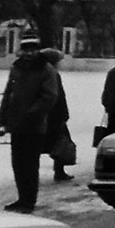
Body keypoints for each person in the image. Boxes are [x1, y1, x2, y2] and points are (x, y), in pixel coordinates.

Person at [0, 30, 58, 213]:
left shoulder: (46, 69)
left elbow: (49, 97)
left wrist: (32, 114)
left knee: (30, 165)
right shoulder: (17, 68)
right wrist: (2, 119)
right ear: (21, 50)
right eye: (26, 49)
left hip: (34, 125)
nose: (29, 53)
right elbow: (8, 95)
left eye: (33, 49)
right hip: (16, 125)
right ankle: (22, 197)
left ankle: (28, 200)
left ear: (38, 50)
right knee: (18, 163)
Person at [40, 48, 75, 182]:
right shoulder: (53, 74)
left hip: (46, 115)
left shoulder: (43, 72)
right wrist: (64, 113)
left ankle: (58, 171)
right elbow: (58, 96)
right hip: (55, 115)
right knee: (60, 142)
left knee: (45, 143)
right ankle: (59, 172)